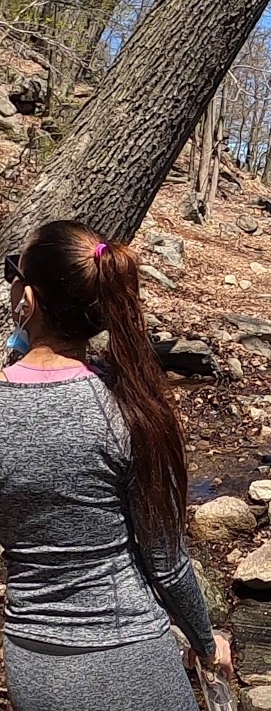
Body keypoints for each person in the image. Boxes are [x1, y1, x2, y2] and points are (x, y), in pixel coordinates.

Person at [0, 221, 232, 711]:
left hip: (33, 658)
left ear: (30, 299)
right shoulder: (128, 407)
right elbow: (166, 565)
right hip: (129, 654)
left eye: (11, 273)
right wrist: (208, 645)